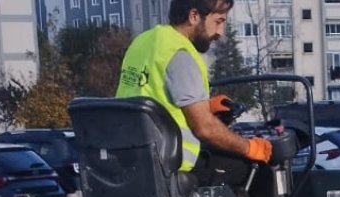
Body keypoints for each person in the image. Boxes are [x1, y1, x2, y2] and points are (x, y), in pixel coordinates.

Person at [116, 0, 272, 172]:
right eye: (218, 21)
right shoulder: (180, 53)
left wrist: (206, 105)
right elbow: (205, 128)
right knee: (258, 170)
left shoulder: (143, 42)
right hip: (172, 163)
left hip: (134, 156)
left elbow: (150, 93)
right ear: (194, 16)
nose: (220, 32)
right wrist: (250, 147)